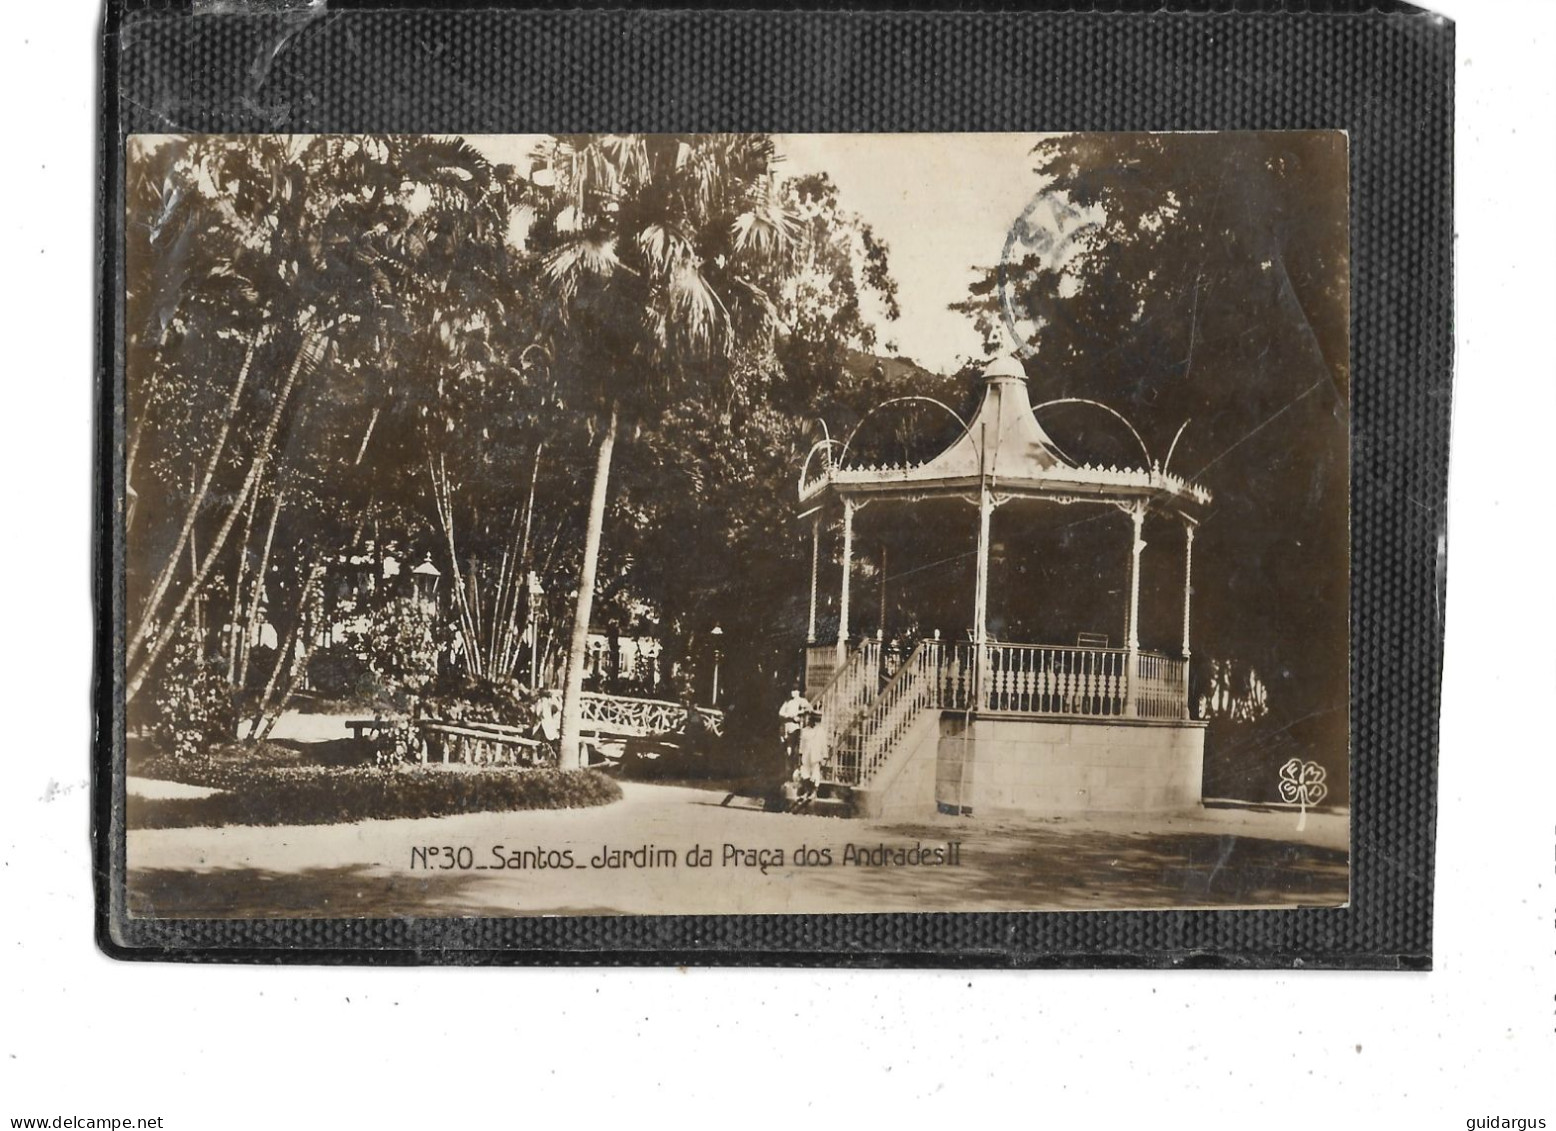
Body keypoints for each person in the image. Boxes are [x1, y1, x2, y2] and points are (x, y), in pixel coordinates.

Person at [794, 710, 826, 810]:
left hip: (816, 755)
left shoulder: (820, 731)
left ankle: (814, 792)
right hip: (806, 754)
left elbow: (823, 744)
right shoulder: (805, 731)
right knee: (805, 773)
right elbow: (801, 744)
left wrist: (824, 756)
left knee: (815, 773)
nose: (814, 723)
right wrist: (800, 755)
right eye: (813, 720)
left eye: (817, 721)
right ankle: (807, 791)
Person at [777, 687, 811, 766]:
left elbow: (809, 709)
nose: (793, 692)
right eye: (792, 690)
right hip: (787, 726)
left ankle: (795, 767)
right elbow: (781, 712)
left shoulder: (802, 701)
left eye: (795, 690)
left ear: (798, 692)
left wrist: (800, 712)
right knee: (787, 747)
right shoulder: (788, 702)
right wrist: (789, 715)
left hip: (796, 727)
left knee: (795, 748)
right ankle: (788, 768)